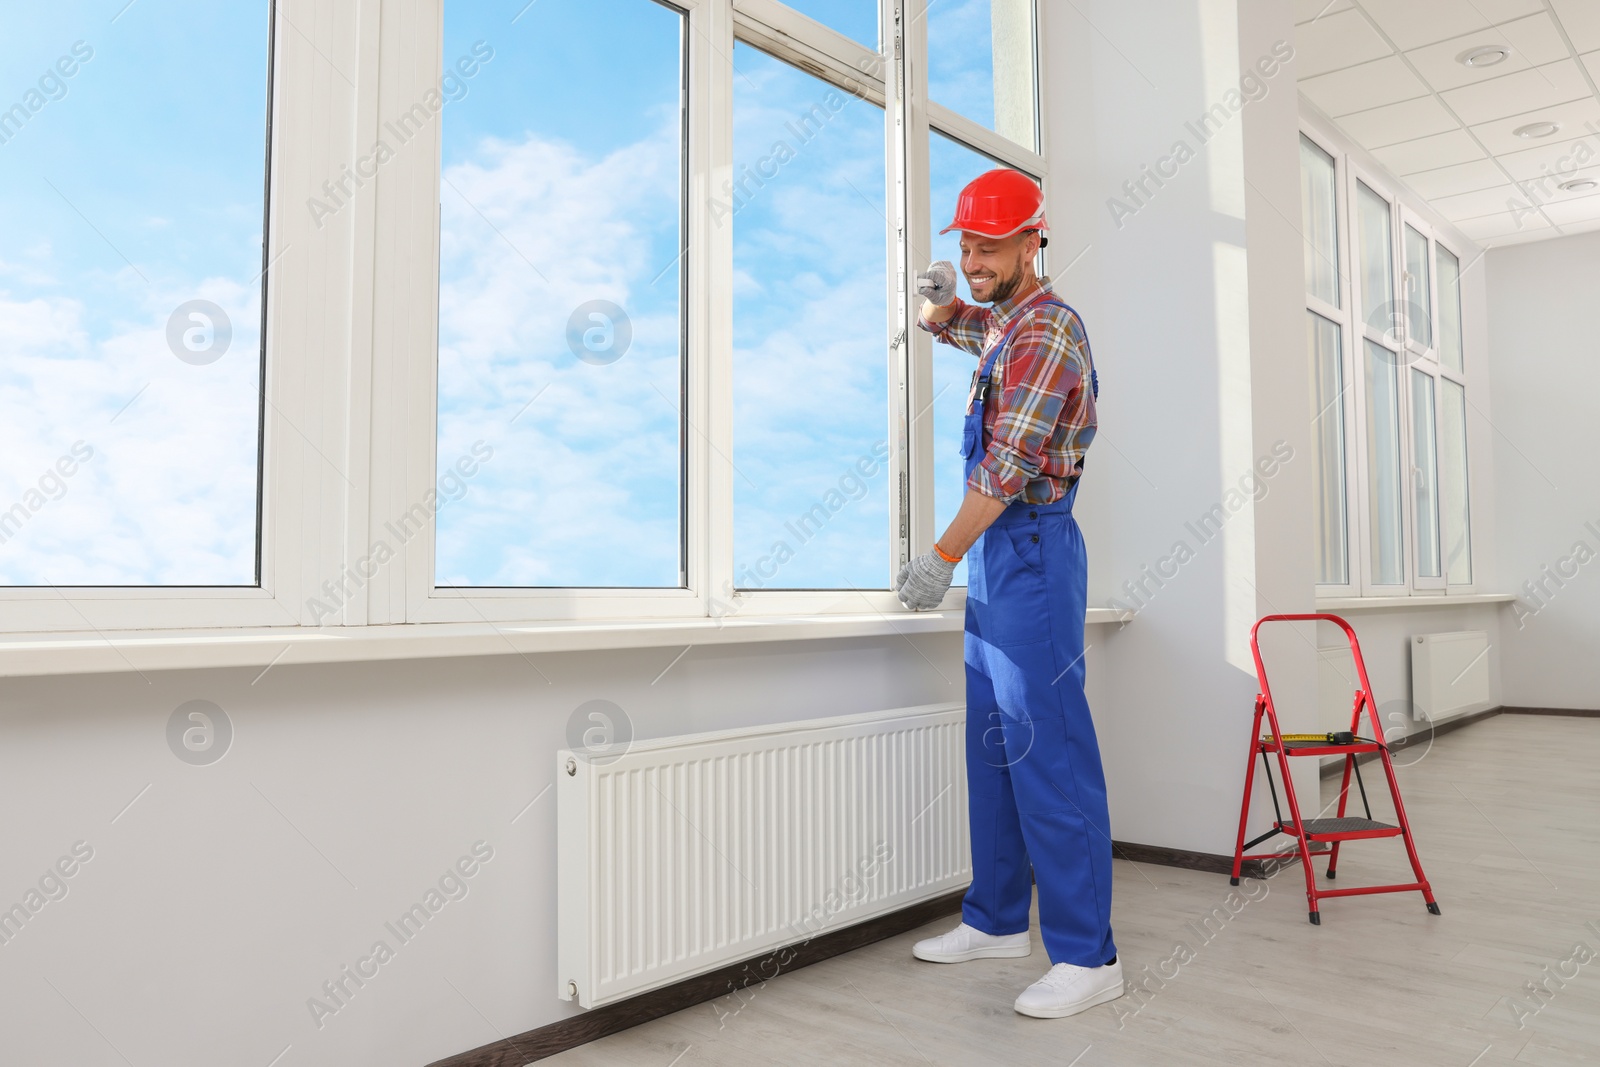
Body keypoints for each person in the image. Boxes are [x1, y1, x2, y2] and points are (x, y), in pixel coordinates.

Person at [893, 168, 1123, 1020]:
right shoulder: (1005, 323)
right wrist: (939, 302)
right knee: (992, 747)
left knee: (1049, 755)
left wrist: (943, 554)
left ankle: (1088, 954)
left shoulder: (1050, 332)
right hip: (997, 561)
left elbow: (1007, 467)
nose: (975, 257)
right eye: (965, 244)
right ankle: (995, 920)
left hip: (1028, 549)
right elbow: (960, 327)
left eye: (990, 245)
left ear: (1035, 239)